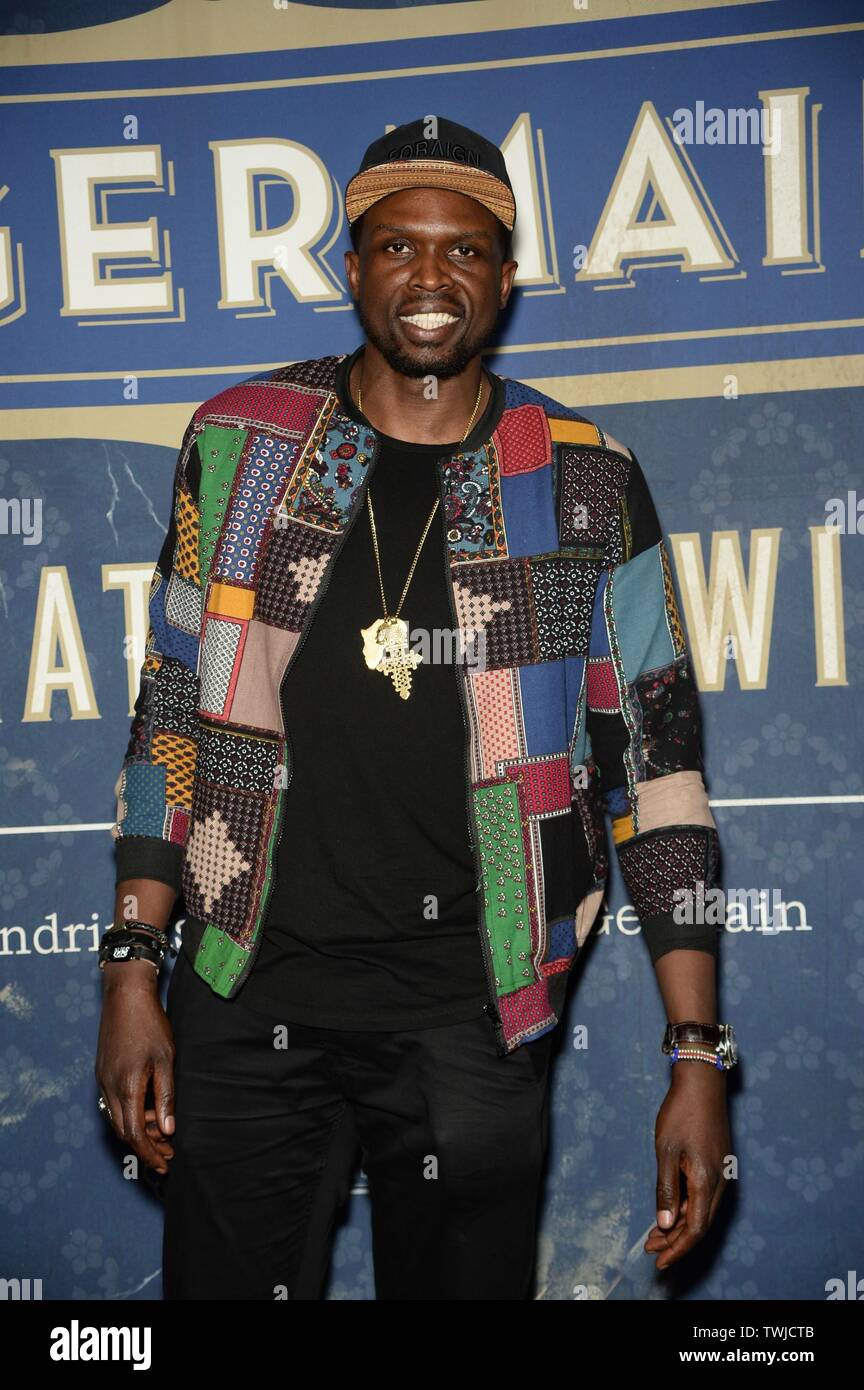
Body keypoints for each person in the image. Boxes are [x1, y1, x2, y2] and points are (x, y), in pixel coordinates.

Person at [95, 115, 735, 1301]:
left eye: (463, 249)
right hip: (246, 995)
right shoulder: (242, 444)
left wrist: (696, 1051)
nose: (430, 278)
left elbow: (660, 764)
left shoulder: (584, 474)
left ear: (505, 274)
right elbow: (172, 711)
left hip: (474, 1016)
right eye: (398, 246)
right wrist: (135, 965)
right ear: (352, 267)